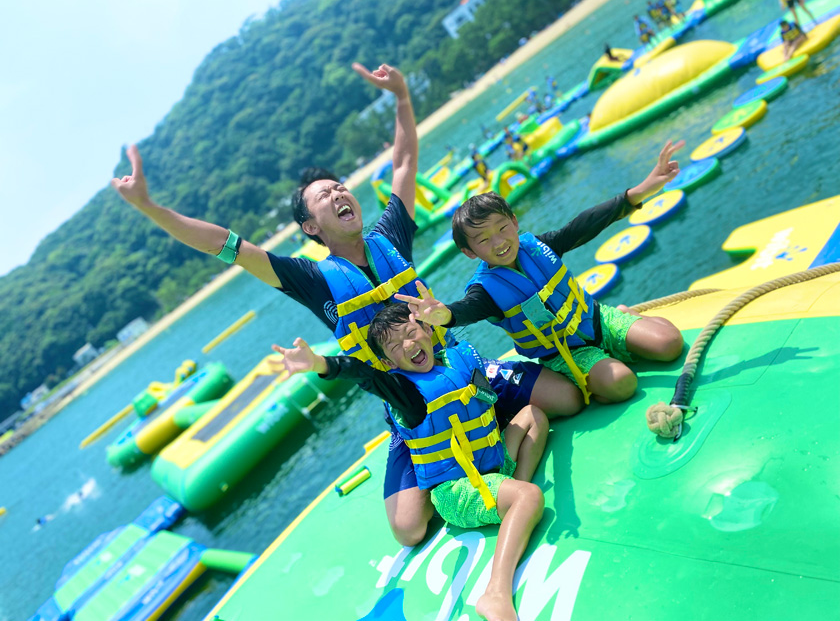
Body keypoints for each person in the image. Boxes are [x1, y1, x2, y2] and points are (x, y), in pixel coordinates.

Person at [111, 62, 581, 547]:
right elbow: (227, 246)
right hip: (411, 406)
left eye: (339, 186)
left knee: (566, 399)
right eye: (323, 196)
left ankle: (490, 439)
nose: (338, 192)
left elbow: (403, 165)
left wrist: (400, 95)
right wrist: (151, 208)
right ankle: (468, 451)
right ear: (311, 228)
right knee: (408, 529)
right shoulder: (311, 279)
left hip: (464, 370)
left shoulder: (390, 236)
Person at [269, 303, 547, 621]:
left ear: (428, 330)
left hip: (492, 462)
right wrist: (321, 363)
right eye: (395, 345)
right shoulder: (405, 392)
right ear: (389, 362)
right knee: (530, 497)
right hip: (459, 488)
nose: (409, 344)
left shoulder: (457, 359)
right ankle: (495, 593)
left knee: (533, 416)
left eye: (411, 332)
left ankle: (512, 497)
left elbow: (487, 402)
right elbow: (365, 375)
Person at [397, 141, 687, 406]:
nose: (499, 242)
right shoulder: (485, 290)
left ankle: (624, 320)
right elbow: (467, 309)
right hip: (567, 355)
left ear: (514, 221)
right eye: (484, 240)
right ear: (469, 252)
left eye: (502, 228)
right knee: (623, 384)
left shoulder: (537, 247)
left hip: (599, 321)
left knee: (670, 344)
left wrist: (642, 189)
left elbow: (582, 226)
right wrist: (444, 315)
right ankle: (593, 369)